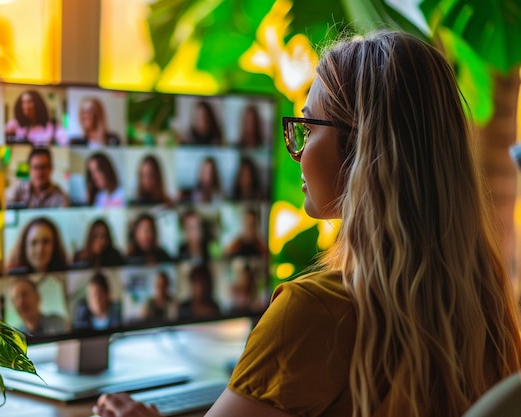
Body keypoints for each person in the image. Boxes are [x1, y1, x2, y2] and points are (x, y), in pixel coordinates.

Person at [92, 31, 521, 417]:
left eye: (308, 126)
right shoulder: (485, 309)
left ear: (360, 149)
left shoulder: (314, 313)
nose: (297, 149)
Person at [5, 147, 70, 209]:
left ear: (51, 169)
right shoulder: (18, 189)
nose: (39, 172)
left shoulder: (61, 198)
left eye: (43, 167)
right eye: (36, 167)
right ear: (29, 169)